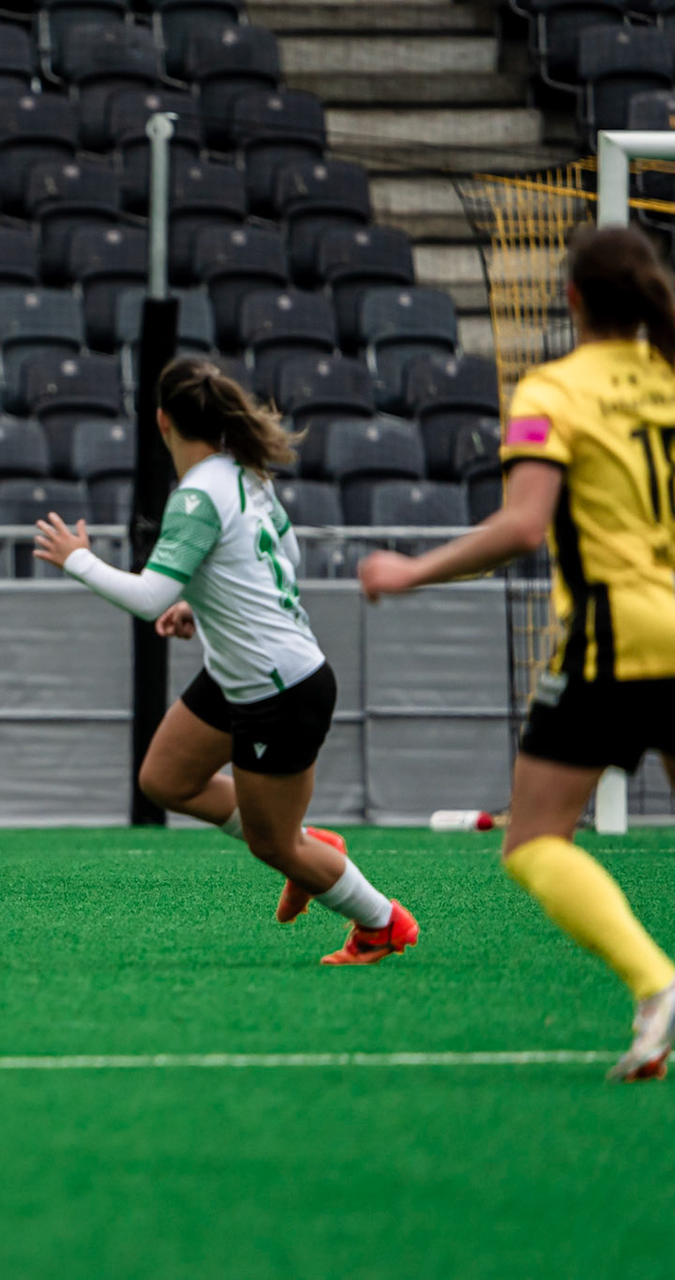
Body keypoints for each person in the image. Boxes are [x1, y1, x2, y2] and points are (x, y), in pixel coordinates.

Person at [361, 224, 675, 1080]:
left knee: (534, 840)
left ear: (571, 298)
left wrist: (411, 571)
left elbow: (524, 526)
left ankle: (656, 985)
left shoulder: (554, 389)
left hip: (617, 639)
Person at [34, 357, 419, 964]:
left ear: (161, 421)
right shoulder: (246, 475)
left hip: (278, 689)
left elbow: (148, 598)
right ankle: (308, 846)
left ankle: (381, 923)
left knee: (274, 847)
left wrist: (76, 558)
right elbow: (283, 555)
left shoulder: (196, 496)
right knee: (165, 781)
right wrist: (200, 603)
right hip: (245, 674)